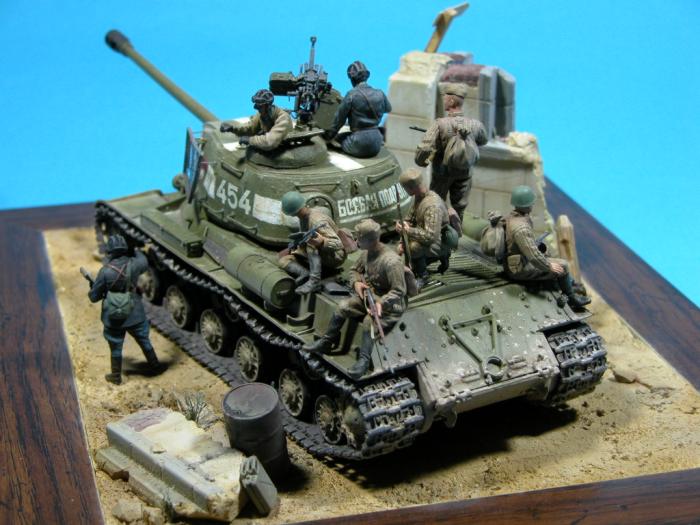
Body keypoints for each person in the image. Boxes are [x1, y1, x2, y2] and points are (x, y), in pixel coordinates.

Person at [303, 219, 406, 379]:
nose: (356, 241)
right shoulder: (367, 253)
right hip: (369, 295)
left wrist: (381, 303)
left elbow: (399, 290)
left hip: (391, 304)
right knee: (343, 306)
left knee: (369, 322)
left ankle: (364, 360)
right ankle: (326, 342)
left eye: (359, 238)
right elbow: (354, 270)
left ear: (370, 240)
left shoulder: (391, 261)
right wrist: (357, 283)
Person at [87, 235, 165, 385]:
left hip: (114, 317)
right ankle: (155, 366)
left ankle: (116, 376)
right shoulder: (135, 264)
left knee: (116, 347)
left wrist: (94, 287)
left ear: (109, 252)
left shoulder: (105, 272)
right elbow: (144, 260)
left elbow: (93, 297)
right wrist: (134, 248)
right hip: (135, 312)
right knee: (144, 340)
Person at [504, 186, 591, 309]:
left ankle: (569, 283)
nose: (532, 205)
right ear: (526, 205)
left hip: (517, 260)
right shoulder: (521, 228)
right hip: (519, 268)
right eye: (531, 203)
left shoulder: (511, 218)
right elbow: (533, 256)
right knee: (563, 266)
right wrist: (548, 266)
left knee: (547, 254)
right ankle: (572, 298)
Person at [414, 84, 488, 223]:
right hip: (465, 173)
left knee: (436, 203)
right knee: (459, 207)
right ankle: (456, 230)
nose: (444, 100)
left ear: (452, 101)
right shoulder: (476, 124)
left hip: (442, 173)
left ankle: (436, 228)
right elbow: (483, 140)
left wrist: (421, 161)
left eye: (445, 98)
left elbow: (424, 148)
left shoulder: (440, 124)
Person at [279, 191, 347, 294]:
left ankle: (314, 281)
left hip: (335, 255)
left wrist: (322, 241)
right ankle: (305, 274)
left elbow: (338, 244)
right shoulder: (303, 217)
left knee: (311, 245)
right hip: (319, 252)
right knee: (284, 260)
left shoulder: (317, 221)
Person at [395, 168, 453, 286]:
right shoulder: (419, 197)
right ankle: (418, 264)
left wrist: (408, 231)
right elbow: (409, 219)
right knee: (409, 246)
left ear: (411, 188)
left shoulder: (432, 205)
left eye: (405, 189)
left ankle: (423, 275)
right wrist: (402, 229)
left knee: (413, 248)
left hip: (440, 241)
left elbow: (431, 236)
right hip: (425, 234)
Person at [324, 61, 392, 158]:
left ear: (352, 79)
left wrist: (328, 137)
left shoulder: (351, 95)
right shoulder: (380, 93)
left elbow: (339, 121)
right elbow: (388, 109)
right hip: (377, 142)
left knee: (337, 140)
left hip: (359, 143)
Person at [220, 89, 293, 150]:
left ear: (267, 106)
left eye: (259, 106)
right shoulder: (262, 114)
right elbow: (251, 127)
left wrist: (250, 140)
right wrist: (233, 128)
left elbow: (270, 141)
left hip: (283, 147)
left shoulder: (283, 118)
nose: (255, 107)